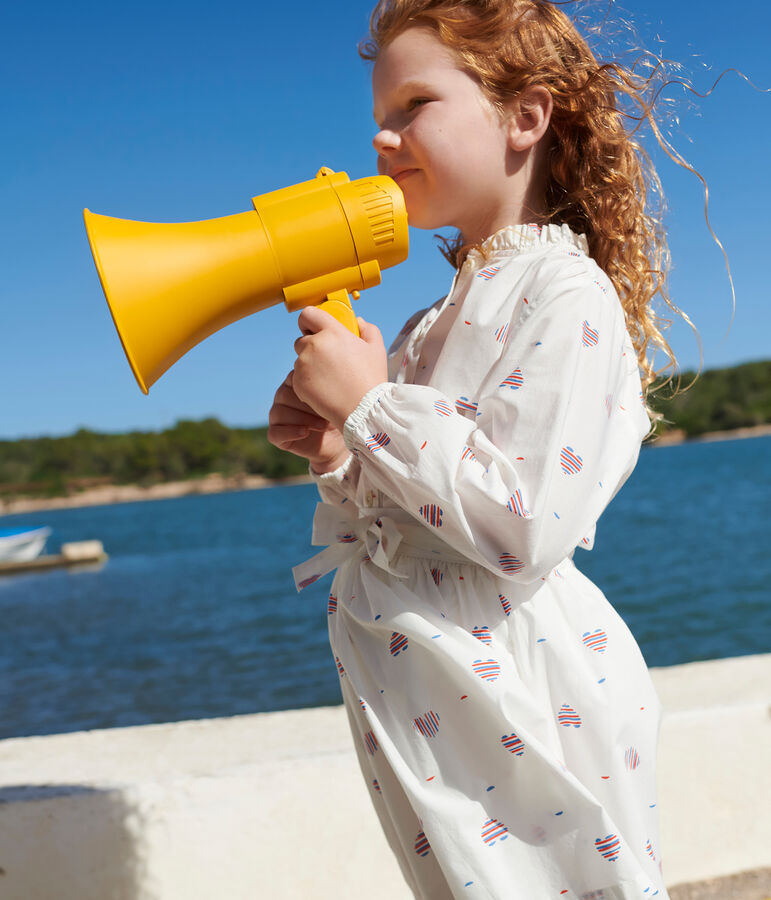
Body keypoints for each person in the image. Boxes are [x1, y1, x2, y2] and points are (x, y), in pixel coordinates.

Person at [268, 1, 679, 896]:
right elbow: (411, 516)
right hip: (429, 692)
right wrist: (339, 450)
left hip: (520, 692)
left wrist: (373, 405)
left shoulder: (567, 293)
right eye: (379, 118)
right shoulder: (425, 324)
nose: (383, 139)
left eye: (413, 105)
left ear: (524, 118)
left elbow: (521, 523)